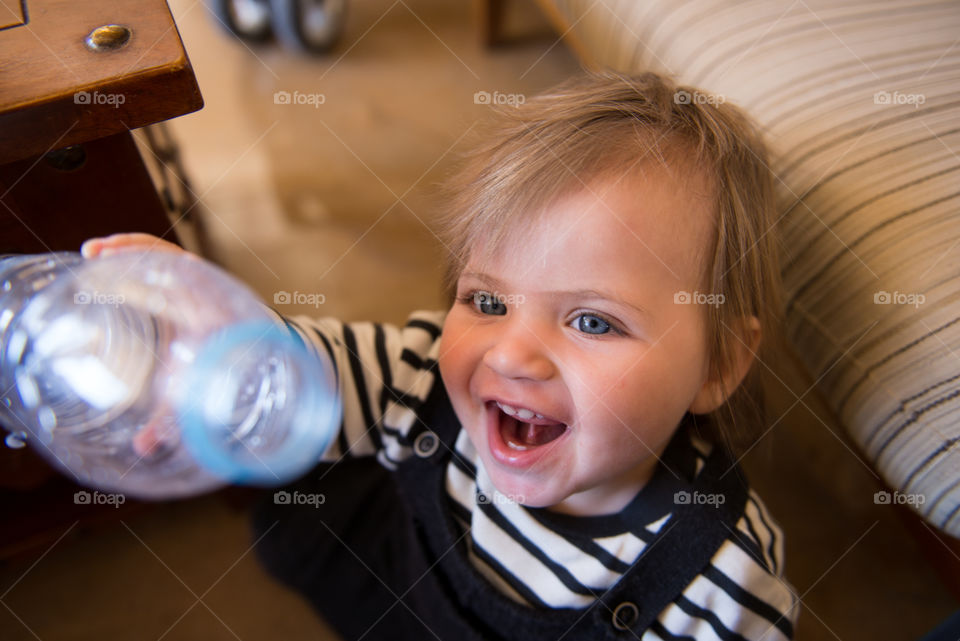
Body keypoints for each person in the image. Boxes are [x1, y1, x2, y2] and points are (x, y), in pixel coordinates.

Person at [83, 70, 798, 640]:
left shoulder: (719, 577)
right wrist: (220, 353)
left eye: (590, 319)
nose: (512, 353)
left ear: (719, 366)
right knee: (292, 507)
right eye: (487, 301)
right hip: (407, 586)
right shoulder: (424, 372)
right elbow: (309, 372)